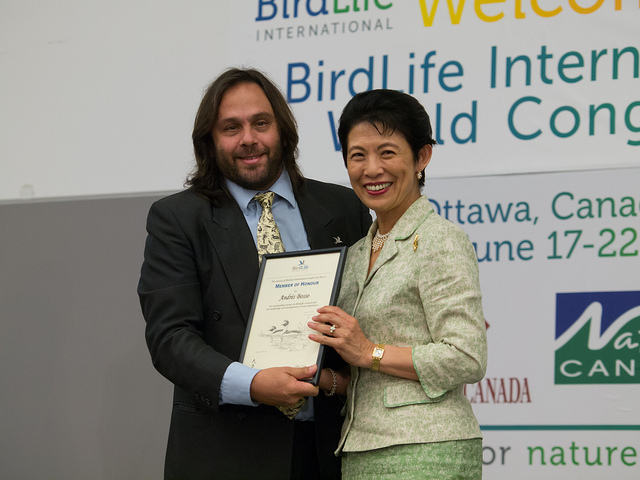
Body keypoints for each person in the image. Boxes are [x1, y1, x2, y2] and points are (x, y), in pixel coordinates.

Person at [137, 68, 371, 480]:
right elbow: (170, 338)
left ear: (283, 130)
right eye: (231, 127)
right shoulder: (178, 219)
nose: (248, 138)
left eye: (261, 123)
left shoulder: (343, 207)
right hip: (228, 452)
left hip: (332, 450)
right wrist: (251, 384)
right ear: (210, 140)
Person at [308, 89, 488, 479]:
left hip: (428, 450)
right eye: (358, 155)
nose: (372, 169)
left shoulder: (441, 239)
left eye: (387, 152)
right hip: (359, 449)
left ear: (421, 157)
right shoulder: (355, 253)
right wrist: (319, 377)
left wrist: (368, 351)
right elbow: (364, 371)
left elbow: (467, 356)